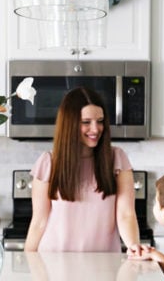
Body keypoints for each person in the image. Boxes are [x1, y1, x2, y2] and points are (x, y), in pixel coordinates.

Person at [24, 86, 141, 254]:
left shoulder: (117, 159)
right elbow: (39, 222)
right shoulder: (48, 162)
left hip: (104, 266)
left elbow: (126, 214)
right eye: (86, 122)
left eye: (100, 121)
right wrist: (30, 263)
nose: (95, 129)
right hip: (54, 263)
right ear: (69, 124)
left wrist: (133, 247)